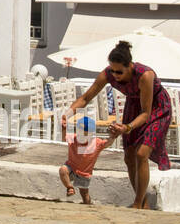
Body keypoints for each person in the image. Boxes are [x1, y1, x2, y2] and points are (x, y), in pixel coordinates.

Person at [65, 40, 171, 209]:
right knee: (129, 155)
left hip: (156, 109)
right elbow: (85, 98)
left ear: (130, 65)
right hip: (133, 105)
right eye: (113, 71)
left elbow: (146, 113)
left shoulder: (145, 75)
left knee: (142, 153)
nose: (115, 75)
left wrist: (127, 127)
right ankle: (142, 202)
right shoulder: (107, 74)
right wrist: (68, 114)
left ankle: (137, 204)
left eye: (119, 71)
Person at [59, 120, 112, 204]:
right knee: (63, 170)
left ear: (91, 134)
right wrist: (64, 129)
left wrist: (113, 136)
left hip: (85, 172)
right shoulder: (74, 138)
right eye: (79, 132)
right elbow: (63, 138)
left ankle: (87, 205)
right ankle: (70, 187)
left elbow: (107, 143)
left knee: (84, 193)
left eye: (84, 134)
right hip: (71, 167)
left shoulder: (96, 142)